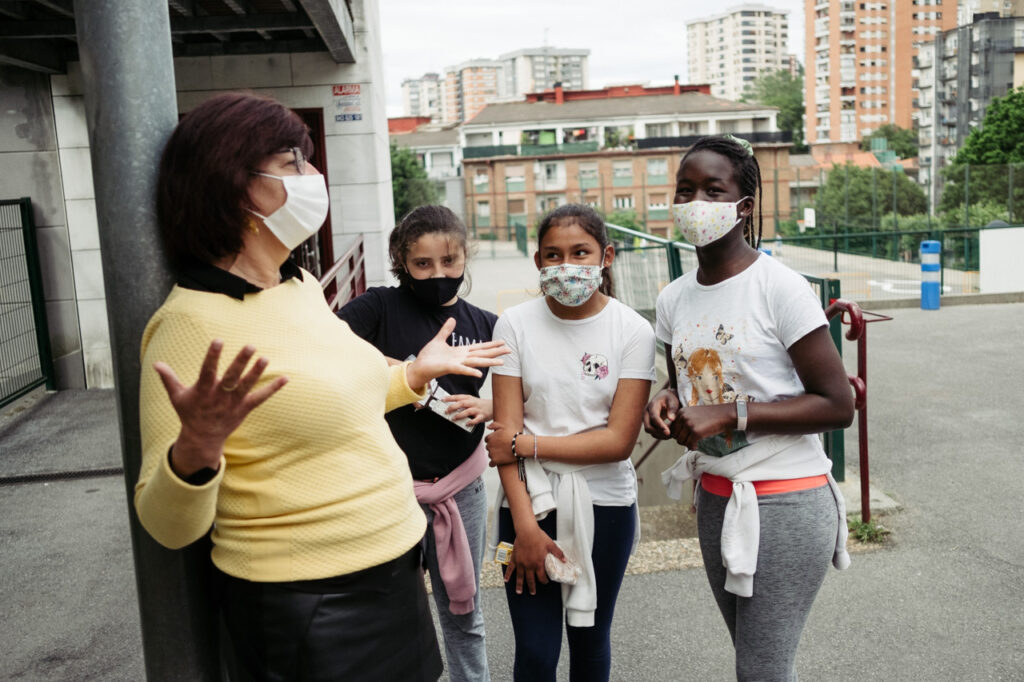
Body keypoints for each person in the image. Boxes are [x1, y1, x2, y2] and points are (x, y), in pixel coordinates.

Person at [134, 92, 508, 681]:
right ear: (236, 186)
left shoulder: (299, 285)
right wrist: (196, 452)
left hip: (393, 573)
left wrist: (413, 374)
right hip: (307, 605)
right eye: (292, 162)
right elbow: (165, 524)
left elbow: (340, 396)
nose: (313, 177)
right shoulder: (189, 323)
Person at [643, 134, 855, 681]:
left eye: (714, 190)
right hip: (715, 497)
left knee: (760, 670)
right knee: (759, 663)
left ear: (744, 206)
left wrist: (734, 414)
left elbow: (838, 404)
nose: (697, 204)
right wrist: (666, 402)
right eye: (685, 190)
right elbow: (683, 381)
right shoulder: (673, 298)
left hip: (785, 501)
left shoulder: (780, 288)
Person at [485, 204, 656, 682]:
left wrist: (529, 444)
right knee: (536, 654)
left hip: (605, 505)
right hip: (527, 505)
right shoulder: (514, 324)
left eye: (581, 253)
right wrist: (524, 528)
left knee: (590, 639)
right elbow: (504, 440)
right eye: (553, 255)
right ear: (538, 262)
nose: (567, 266)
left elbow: (618, 441)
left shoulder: (632, 330)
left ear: (607, 256)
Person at [336, 205, 496, 682]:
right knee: (387, 612)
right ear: (400, 261)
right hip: (387, 490)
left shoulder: (486, 323)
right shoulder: (377, 306)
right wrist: (407, 371)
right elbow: (326, 348)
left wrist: (492, 409)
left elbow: (526, 397)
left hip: (460, 489)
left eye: (449, 261)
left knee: (463, 613)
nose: (438, 274)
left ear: (467, 255)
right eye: (422, 264)